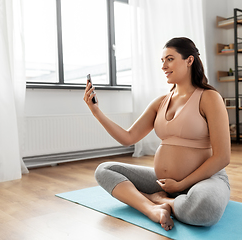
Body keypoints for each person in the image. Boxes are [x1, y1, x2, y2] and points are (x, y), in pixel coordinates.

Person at [83, 37, 231, 231]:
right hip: (164, 183)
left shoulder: (209, 98)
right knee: (105, 170)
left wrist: (180, 185)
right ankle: (152, 208)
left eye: (169, 59)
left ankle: (163, 201)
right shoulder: (160, 102)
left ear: (189, 60)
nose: (164, 66)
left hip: (204, 180)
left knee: (206, 209)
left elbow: (222, 157)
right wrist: (96, 111)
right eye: (162, 61)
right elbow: (128, 137)